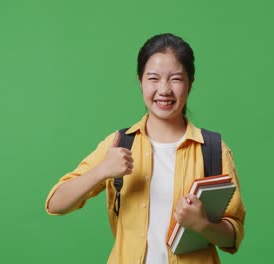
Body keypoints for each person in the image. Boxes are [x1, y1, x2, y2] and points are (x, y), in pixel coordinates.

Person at [45, 33, 246, 264]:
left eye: (176, 79)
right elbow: (55, 204)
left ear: (190, 83)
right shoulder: (120, 142)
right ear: (140, 81)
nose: (164, 90)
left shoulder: (212, 149)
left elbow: (234, 235)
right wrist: (101, 171)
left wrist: (203, 225)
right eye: (153, 78)